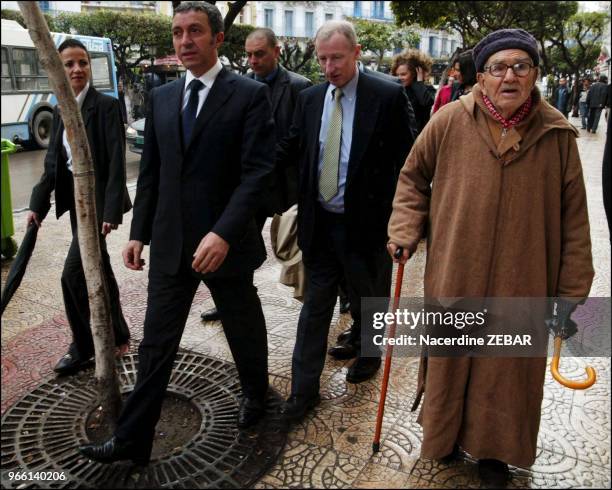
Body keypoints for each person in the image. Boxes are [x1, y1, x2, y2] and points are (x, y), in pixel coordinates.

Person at [387, 28, 593, 487]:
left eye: (521, 66)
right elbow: (412, 177)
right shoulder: (449, 120)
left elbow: (575, 218)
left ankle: (495, 453)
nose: (509, 76)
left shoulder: (557, 134)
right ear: (481, 77)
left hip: (524, 275)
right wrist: (404, 229)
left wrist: (571, 290)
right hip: (457, 269)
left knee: (505, 369)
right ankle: (441, 438)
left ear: (536, 74)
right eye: (498, 68)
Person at [79, 1, 275, 465]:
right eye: (177, 32)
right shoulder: (164, 97)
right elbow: (152, 172)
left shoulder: (248, 94)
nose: (184, 41)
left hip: (224, 246)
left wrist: (224, 232)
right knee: (156, 343)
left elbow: (258, 172)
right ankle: (132, 441)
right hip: (170, 243)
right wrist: (138, 231)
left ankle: (256, 395)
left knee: (243, 326)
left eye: (194, 32)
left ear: (217, 38)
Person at [276, 20, 414, 422]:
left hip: (367, 226)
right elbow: (292, 147)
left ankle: (369, 354)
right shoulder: (310, 97)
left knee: (369, 298)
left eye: (337, 57)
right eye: (322, 58)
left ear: (356, 52)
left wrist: (406, 222)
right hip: (320, 224)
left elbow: (410, 162)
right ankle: (303, 392)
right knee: (315, 308)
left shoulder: (386, 96)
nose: (329, 66)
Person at [27, 39, 132, 376]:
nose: (77, 69)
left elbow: (116, 160)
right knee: (99, 268)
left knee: (71, 275)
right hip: (75, 203)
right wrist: (36, 206)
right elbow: (53, 163)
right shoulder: (60, 108)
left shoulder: (105, 106)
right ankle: (118, 334)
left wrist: (111, 210)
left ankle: (83, 346)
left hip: (97, 206)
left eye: (82, 63)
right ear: (57, 69)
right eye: (69, 64)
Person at [200, 27, 312, 323]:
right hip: (251, 188)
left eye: (259, 54)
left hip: (287, 186)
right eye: (248, 54)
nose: (252, 60)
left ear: (276, 51)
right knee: (237, 244)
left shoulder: (300, 87)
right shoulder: (241, 85)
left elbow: (300, 136)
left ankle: (323, 302)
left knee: (307, 247)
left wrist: (265, 161)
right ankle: (232, 302)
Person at [391, 49, 436, 134]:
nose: (399, 77)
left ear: (415, 73)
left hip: (419, 137)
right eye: (397, 75)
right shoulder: (396, 90)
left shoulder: (426, 89)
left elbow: (426, 102)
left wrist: (419, 83)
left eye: (403, 74)